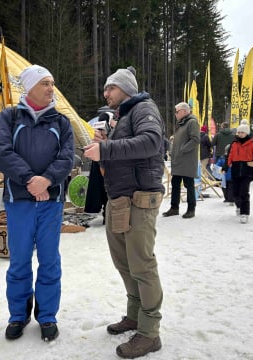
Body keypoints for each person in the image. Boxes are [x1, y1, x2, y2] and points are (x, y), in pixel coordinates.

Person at [83, 66, 164, 359]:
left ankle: (149, 332)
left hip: (140, 200)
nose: (106, 93)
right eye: (105, 88)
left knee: (142, 265)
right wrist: (105, 144)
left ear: (126, 88)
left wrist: (106, 150)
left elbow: (152, 142)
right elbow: (122, 152)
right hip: (120, 200)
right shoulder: (125, 115)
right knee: (125, 264)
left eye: (111, 88)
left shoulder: (144, 109)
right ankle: (135, 316)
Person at [0, 65, 74, 342]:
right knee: (19, 260)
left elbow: (67, 157)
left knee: (50, 260)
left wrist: (47, 180)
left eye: (52, 83)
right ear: (30, 87)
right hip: (20, 200)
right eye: (45, 83)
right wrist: (30, 180)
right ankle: (18, 314)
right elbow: (1, 152)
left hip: (51, 201)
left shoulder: (61, 122)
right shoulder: (10, 117)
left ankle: (47, 314)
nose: (51, 88)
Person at [162, 102, 200, 219]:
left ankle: (191, 209)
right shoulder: (182, 124)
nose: (175, 114)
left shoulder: (192, 122)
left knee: (189, 185)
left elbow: (195, 140)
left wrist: (182, 150)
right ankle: (174, 208)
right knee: (175, 184)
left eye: (177, 112)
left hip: (187, 161)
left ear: (184, 111)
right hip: (179, 161)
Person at [224, 122, 253, 224]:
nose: (240, 134)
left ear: (247, 133)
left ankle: (245, 213)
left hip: (247, 172)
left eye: (242, 132)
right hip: (235, 171)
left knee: (244, 193)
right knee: (235, 193)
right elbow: (229, 156)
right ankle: (239, 206)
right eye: (239, 132)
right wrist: (225, 167)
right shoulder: (234, 143)